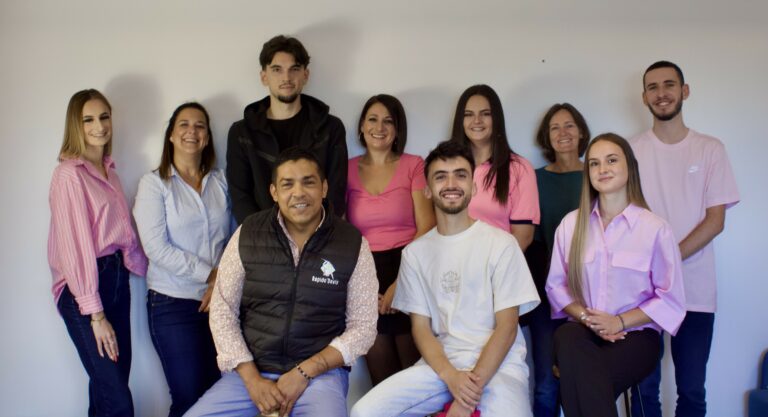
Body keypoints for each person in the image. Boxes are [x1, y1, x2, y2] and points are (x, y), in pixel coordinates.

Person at [351, 141, 540, 417]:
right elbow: (421, 329)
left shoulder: (502, 244)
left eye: (460, 175)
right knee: (364, 411)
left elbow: (507, 328)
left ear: (473, 186)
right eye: (441, 176)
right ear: (428, 190)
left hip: (500, 367)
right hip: (441, 367)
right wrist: (451, 377)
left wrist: (464, 401)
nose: (451, 184)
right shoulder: (415, 254)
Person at [185, 147, 378, 417]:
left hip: (319, 376)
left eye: (308, 182)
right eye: (287, 184)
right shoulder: (248, 234)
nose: (298, 193)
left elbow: (364, 328)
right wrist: (252, 379)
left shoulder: (352, 244)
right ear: (274, 192)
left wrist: (305, 371)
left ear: (324, 188)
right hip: (251, 372)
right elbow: (222, 309)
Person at [545, 133, 687, 417]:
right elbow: (556, 287)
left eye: (611, 160)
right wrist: (590, 320)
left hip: (635, 336)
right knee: (568, 336)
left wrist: (617, 321)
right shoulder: (571, 225)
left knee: (579, 380)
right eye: (594, 163)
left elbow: (669, 298)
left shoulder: (655, 229)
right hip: (583, 330)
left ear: (629, 167)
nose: (602, 169)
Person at [629, 61, 740, 417]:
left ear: (684, 91)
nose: (661, 93)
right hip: (641, 291)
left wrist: (668, 260)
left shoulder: (710, 149)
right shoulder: (630, 151)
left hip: (695, 291)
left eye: (669, 85)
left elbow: (715, 221)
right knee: (643, 390)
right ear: (644, 97)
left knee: (691, 390)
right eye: (653, 87)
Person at [48, 89, 148, 417]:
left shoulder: (111, 173)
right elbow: (75, 247)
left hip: (116, 281)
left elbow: (125, 238)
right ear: (75, 125)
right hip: (84, 291)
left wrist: (150, 270)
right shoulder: (69, 175)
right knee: (117, 400)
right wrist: (96, 315)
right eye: (88, 119)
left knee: (107, 390)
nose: (99, 126)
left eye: (104, 117)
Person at [133, 103, 232, 416]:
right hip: (172, 303)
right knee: (188, 397)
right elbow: (156, 247)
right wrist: (210, 275)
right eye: (184, 125)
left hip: (219, 302)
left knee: (218, 397)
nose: (192, 131)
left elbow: (234, 239)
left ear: (207, 137)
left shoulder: (221, 181)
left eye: (200, 125)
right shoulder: (154, 184)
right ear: (172, 135)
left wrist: (221, 281)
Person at [346, 94, 435, 385]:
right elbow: (342, 234)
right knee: (382, 381)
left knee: (415, 377)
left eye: (388, 121)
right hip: (365, 272)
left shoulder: (414, 165)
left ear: (398, 129)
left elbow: (427, 225)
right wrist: (363, 289)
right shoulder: (346, 169)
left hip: (409, 266)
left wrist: (401, 282)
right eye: (372, 119)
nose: (379, 127)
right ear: (362, 126)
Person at [226, 34, 347, 224]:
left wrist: (317, 234)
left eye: (294, 69)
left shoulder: (331, 128)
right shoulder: (242, 133)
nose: (286, 77)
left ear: (305, 75)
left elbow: (336, 193)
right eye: (277, 70)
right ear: (264, 77)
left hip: (319, 234)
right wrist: (265, 235)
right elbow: (241, 198)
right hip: (262, 236)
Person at [525, 103, 591, 417]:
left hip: (590, 293)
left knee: (584, 383)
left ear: (581, 132)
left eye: (569, 125)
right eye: (555, 127)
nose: (563, 133)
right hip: (545, 293)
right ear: (546, 136)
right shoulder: (534, 179)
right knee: (545, 383)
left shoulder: (596, 174)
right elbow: (530, 240)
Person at [449, 84, 540, 250]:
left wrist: (489, 265)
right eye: (468, 114)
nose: (477, 120)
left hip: (497, 263)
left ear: (496, 119)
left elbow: (523, 236)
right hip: (451, 261)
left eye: (486, 114)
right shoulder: (447, 167)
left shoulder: (520, 169)